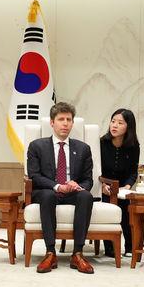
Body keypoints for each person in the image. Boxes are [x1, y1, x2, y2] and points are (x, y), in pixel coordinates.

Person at [26, 102, 95, 274]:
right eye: (61, 119)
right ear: (52, 122)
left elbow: (88, 179)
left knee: (86, 196)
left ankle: (77, 253)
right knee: (48, 196)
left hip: (72, 192)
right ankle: (50, 252)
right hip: (48, 190)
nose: (65, 123)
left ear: (72, 123)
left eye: (69, 120)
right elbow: (34, 176)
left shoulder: (83, 148)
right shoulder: (37, 146)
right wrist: (57, 186)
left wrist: (77, 186)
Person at [99, 108, 140, 258]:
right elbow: (96, 169)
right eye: (113, 121)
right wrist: (102, 186)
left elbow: (133, 172)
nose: (114, 125)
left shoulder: (134, 146)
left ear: (129, 127)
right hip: (104, 187)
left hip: (122, 188)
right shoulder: (102, 143)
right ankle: (109, 247)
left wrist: (127, 187)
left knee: (127, 207)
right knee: (108, 205)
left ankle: (129, 247)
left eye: (120, 123)